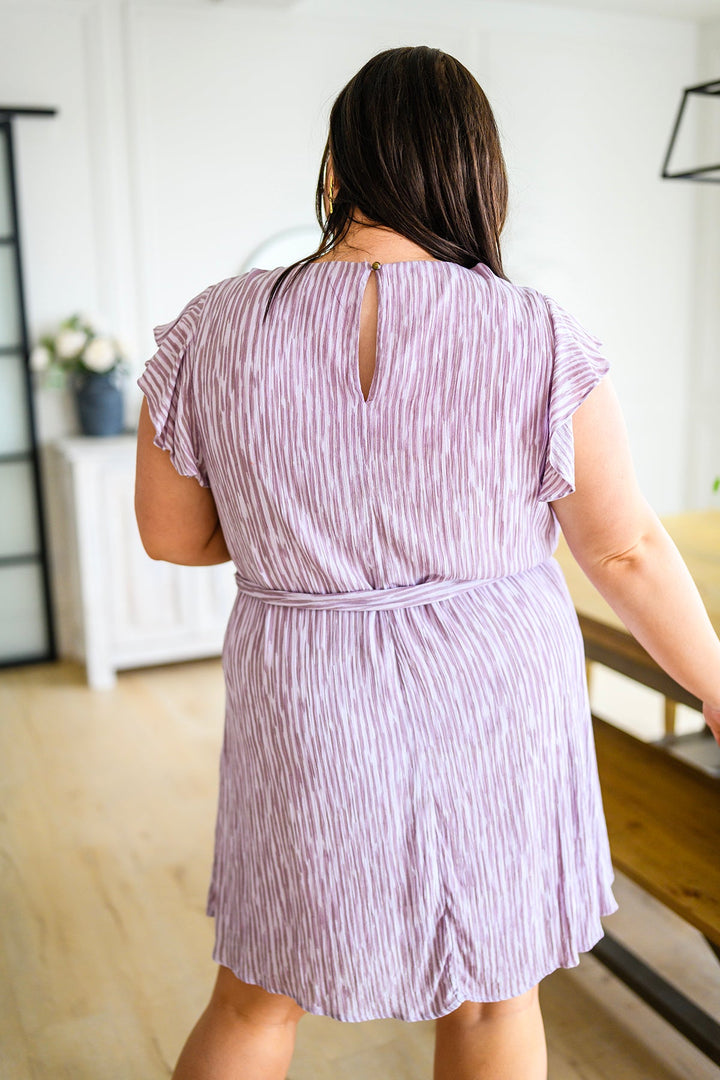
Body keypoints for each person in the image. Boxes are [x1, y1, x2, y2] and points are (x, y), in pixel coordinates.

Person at [134, 44, 720, 1080]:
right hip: (494, 685)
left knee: (257, 994)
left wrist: (289, 535)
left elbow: (173, 536)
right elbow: (623, 548)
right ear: (474, 174)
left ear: (337, 167)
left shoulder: (211, 329)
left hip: (303, 687)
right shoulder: (536, 332)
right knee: (495, 1001)